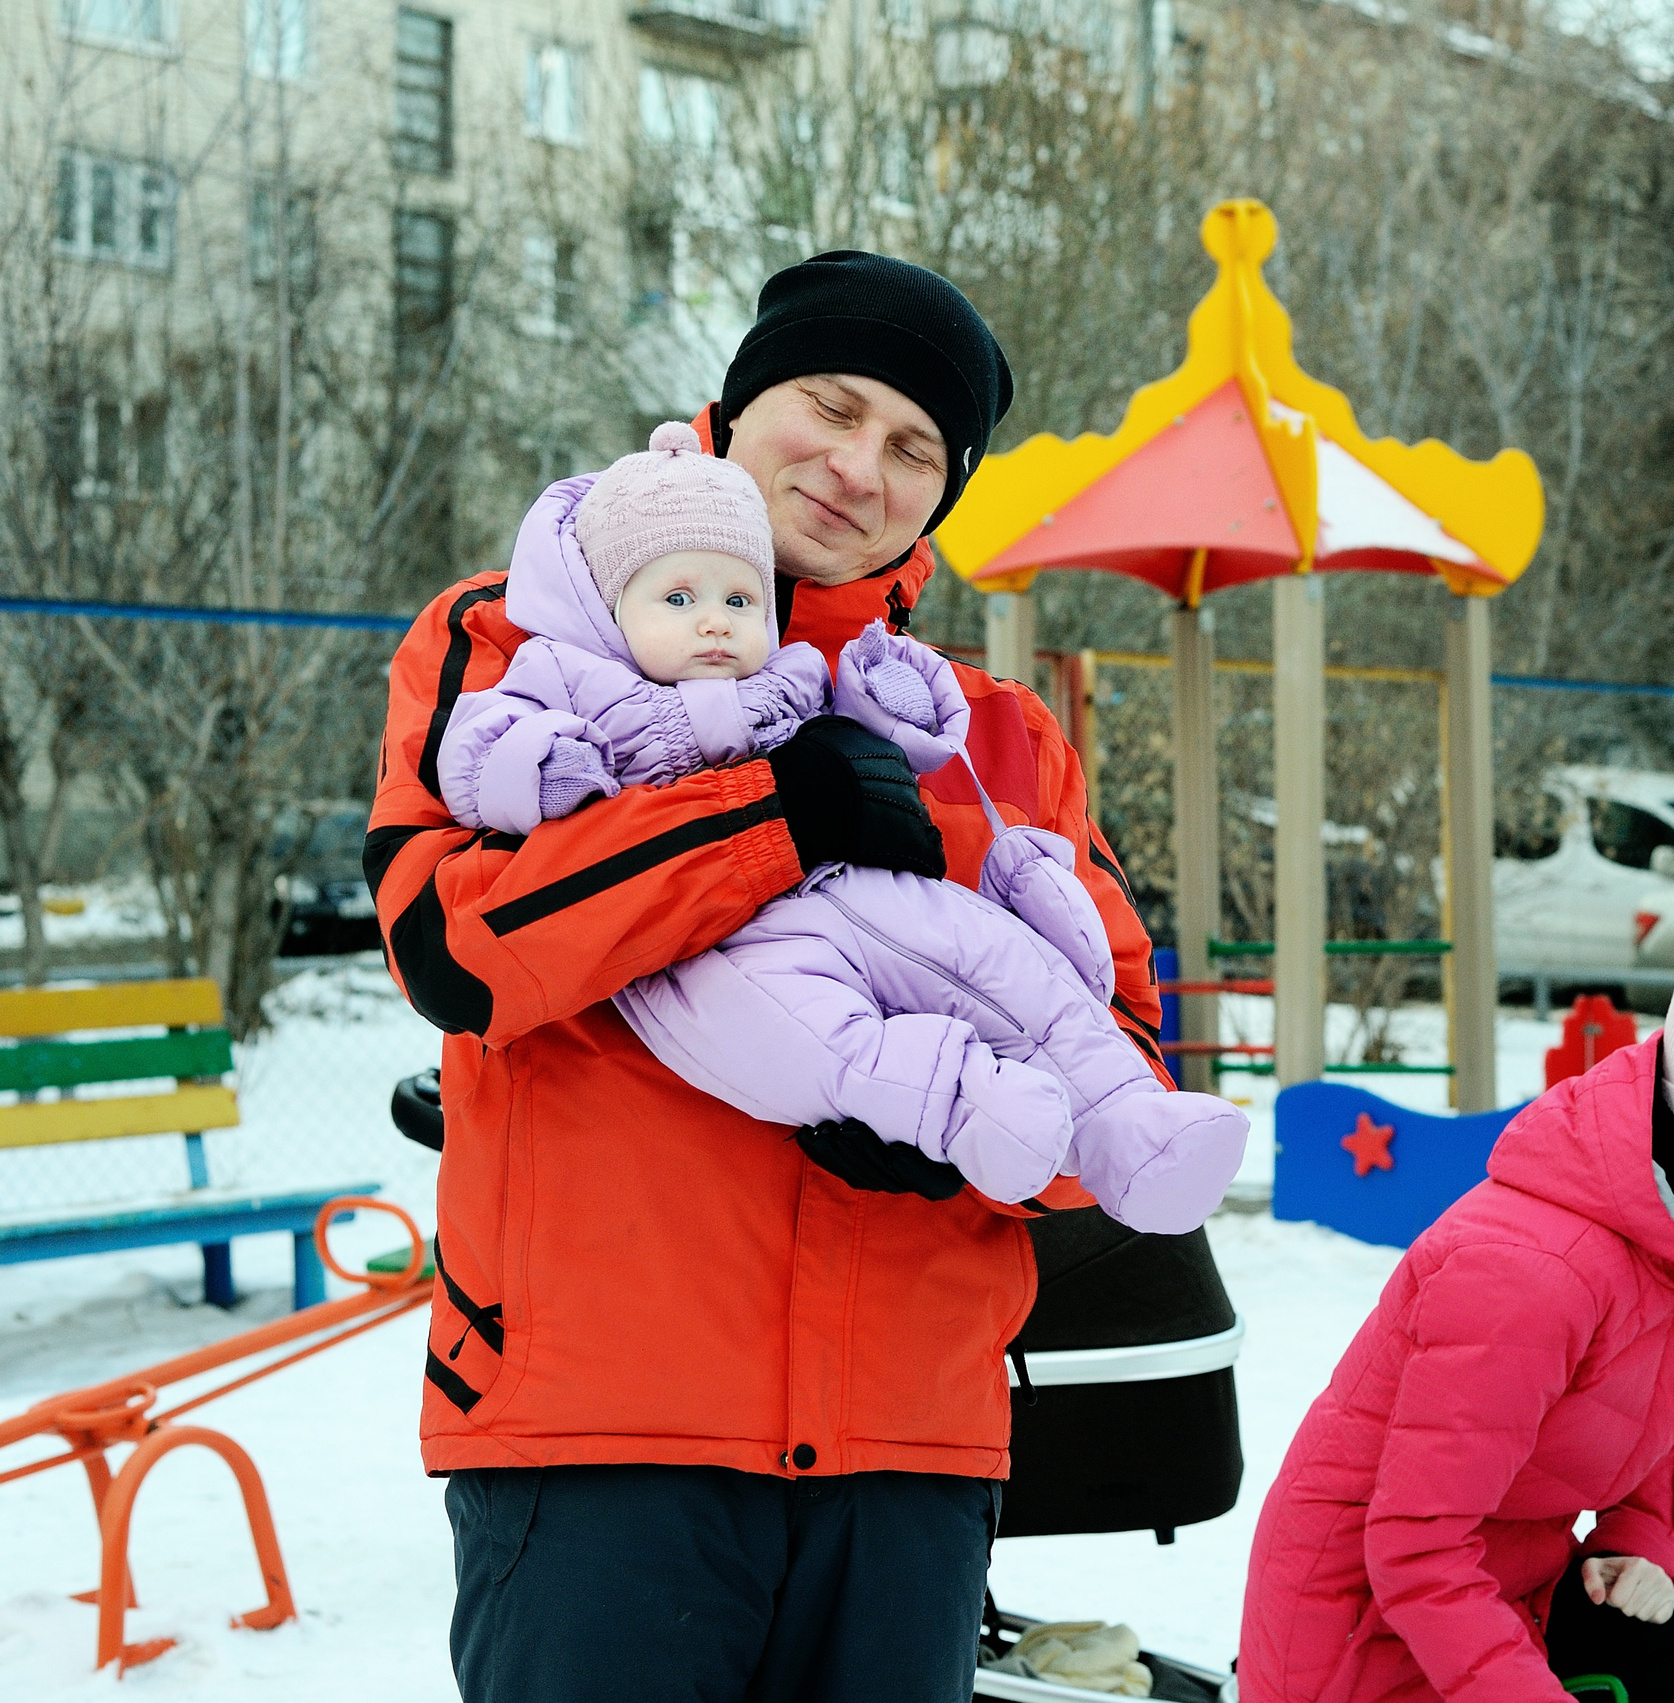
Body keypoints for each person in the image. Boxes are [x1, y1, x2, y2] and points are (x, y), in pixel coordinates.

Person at [368, 251, 1171, 1703]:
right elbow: (458, 945)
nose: (860, 465)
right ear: (738, 407)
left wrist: (969, 1156)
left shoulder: (996, 740)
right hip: (598, 1438)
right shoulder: (519, 639)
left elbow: (1121, 1060)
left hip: (905, 1452)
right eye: (832, 404)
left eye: (915, 447)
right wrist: (765, 813)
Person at [433, 421, 1245, 1230]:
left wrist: (891, 710)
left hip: (851, 899)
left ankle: (1128, 1127)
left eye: (737, 600)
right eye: (678, 599)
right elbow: (469, 841)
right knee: (812, 1038)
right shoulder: (545, 662)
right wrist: (544, 770)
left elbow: (1131, 1009)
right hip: (717, 955)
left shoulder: (814, 678)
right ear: (610, 607)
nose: (714, 621)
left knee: (1002, 955)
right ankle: (964, 1105)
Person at [1239, 937, 1674, 1703]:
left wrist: (1641, 1543)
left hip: (1515, 1587)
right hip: (1364, 1633)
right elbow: (1416, 1548)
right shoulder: (1529, 1273)